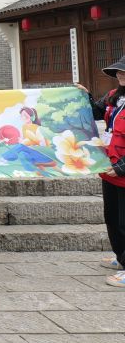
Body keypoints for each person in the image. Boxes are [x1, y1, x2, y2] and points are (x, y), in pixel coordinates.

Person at [94, 57, 125, 287]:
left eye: (124, 72)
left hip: (121, 170)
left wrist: (121, 167)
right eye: (119, 72)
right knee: (112, 218)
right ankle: (121, 257)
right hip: (110, 169)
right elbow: (94, 111)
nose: (120, 75)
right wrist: (81, 96)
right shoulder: (114, 96)